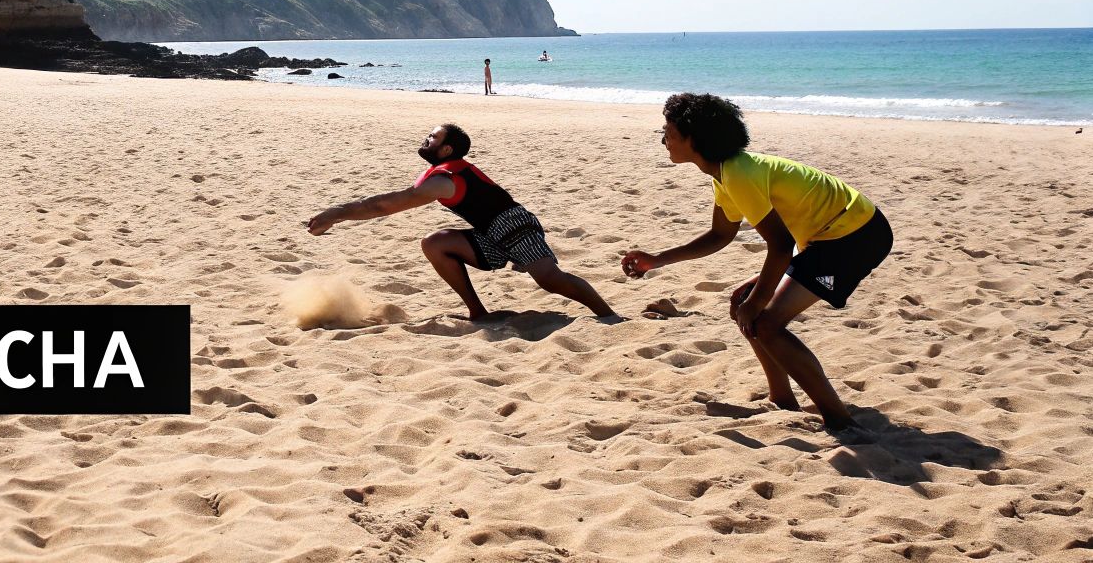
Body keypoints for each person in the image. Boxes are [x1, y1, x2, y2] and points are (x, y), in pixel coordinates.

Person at [621, 93, 893, 433]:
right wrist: (657, 260)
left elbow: (781, 245)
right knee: (741, 303)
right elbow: (720, 235)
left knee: (765, 321)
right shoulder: (726, 173)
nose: (663, 140)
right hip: (830, 236)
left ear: (693, 138)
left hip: (854, 236)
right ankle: (781, 398)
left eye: (669, 132)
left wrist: (758, 302)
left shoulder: (739, 174)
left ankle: (840, 420)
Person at [307, 123, 616, 321]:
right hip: (489, 235)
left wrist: (335, 214)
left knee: (550, 280)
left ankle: (609, 316)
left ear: (447, 149)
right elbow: (384, 203)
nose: (426, 138)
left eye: (433, 137)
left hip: (515, 225)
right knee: (435, 244)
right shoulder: (439, 174)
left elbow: (383, 205)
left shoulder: (448, 178)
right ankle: (478, 313)